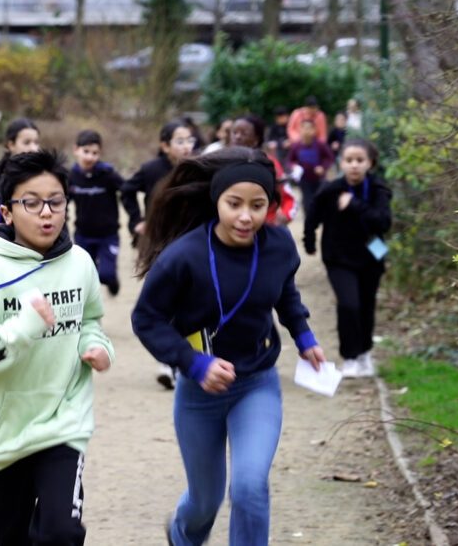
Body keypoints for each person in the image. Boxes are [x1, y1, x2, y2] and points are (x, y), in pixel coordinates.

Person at [130, 147, 326, 546]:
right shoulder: (183, 257)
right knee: (205, 501)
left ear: (270, 207)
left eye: (257, 206)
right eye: (234, 204)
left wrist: (303, 336)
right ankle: (182, 534)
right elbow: (146, 319)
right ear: (216, 201)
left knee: (250, 487)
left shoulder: (278, 246)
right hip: (198, 392)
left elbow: (284, 291)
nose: (245, 216)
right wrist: (194, 363)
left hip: (256, 384)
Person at [0, 149, 114, 546]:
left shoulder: (80, 263)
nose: (46, 213)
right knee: (12, 537)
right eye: (32, 203)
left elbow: (91, 321)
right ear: (7, 212)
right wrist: (23, 327)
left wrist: (97, 347)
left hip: (64, 421)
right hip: (5, 430)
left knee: (62, 532)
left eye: (55, 202)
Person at [303, 139, 392, 378]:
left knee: (366, 306)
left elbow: (383, 222)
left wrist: (355, 204)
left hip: (371, 257)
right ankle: (350, 357)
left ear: (369, 163)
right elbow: (313, 214)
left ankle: (365, 354)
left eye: (359, 160)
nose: (354, 165)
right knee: (349, 304)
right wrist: (309, 240)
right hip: (338, 258)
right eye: (349, 160)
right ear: (341, 163)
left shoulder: (377, 190)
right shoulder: (330, 190)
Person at [120, 118, 197, 389]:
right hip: (157, 244)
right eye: (180, 141)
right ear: (165, 146)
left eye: (190, 140)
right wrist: (136, 221)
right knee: (162, 300)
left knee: (186, 301)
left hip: (189, 244)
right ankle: (166, 361)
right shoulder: (152, 169)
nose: (187, 146)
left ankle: (181, 358)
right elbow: (127, 191)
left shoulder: (197, 169)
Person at [69, 129, 124, 296]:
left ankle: (112, 279)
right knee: (85, 276)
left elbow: (127, 189)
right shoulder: (71, 177)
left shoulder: (108, 174)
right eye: (86, 151)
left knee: (105, 275)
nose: (90, 157)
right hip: (83, 234)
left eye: (95, 153)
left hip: (108, 234)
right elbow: (61, 201)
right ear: (76, 150)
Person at [229, 114, 296, 225]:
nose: (237, 137)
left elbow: (288, 197)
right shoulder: (220, 161)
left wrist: (285, 216)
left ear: (256, 140)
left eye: (243, 133)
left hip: (265, 227)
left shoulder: (269, 163)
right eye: (234, 132)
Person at [0, 118, 41, 231]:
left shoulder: (44, 176)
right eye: (27, 142)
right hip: (2, 238)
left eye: (36, 142)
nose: (33, 148)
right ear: (11, 144)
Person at [286, 119, 334, 206]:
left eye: (309, 128)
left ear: (314, 130)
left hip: (319, 179)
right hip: (304, 179)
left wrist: (323, 167)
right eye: (303, 128)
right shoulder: (296, 146)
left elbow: (330, 158)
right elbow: (290, 160)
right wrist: (294, 166)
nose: (306, 131)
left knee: (320, 201)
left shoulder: (320, 145)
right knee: (308, 202)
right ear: (299, 130)